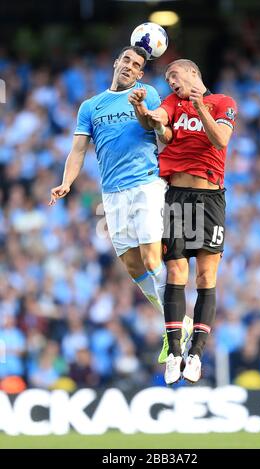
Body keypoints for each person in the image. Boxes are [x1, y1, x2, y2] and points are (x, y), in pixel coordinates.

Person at [49, 47, 191, 363]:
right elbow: (78, 151)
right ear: (116, 64)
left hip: (146, 184)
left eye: (136, 65)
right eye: (126, 60)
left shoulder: (147, 93)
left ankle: (174, 328)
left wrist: (142, 108)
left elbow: (155, 130)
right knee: (132, 265)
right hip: (112, 194)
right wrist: (67, 182)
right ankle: (180, 321)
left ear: (141, 74)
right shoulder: (90, 106)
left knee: (152, 256)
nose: (129, 66)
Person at [129, 59, 237, 384]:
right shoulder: (172, 103)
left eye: (174, 75)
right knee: (176, 271)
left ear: (193, 73)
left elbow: (220, 140)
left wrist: (199, 107)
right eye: (167, 78)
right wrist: (145, 111)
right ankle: (174, 351)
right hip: (177, 196)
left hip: (210, 199)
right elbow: (157, 122)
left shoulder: (223, 103)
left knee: (206, 277)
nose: (172, 82)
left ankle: (197, 354)